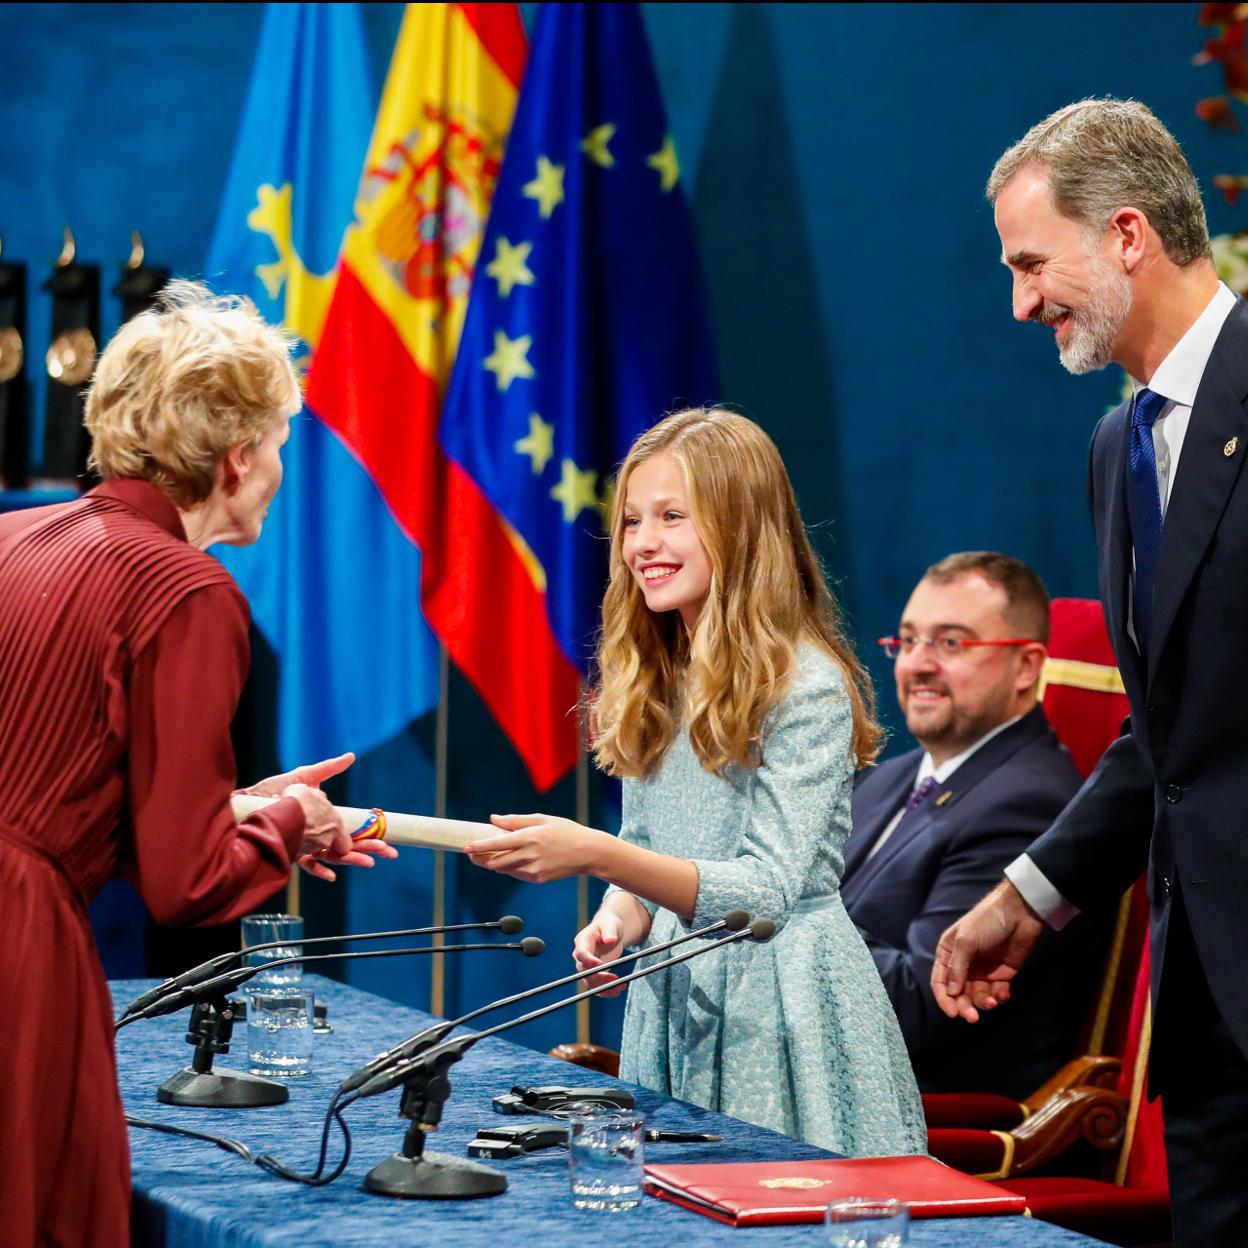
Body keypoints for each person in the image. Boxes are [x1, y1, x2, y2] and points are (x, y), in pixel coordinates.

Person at [0, 282, 396, 1247]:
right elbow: (186, 885)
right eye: (281, 449)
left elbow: (59, 783)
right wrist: (293, 821)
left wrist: (240, 810)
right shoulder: (187, 591)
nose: (279, 473)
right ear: (237, 457)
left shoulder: (12, 536)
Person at [930, 99, 1248, 1246]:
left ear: (1125, 235)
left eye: (1030, 263)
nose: (1020, 303)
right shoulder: (1118, 449)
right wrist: (1026, 895)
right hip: (1207, 1022)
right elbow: (1165, 740)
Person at [464, 408, 926, 1157]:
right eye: (632, 522)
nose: (644, 543)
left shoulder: (805, 684)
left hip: (778, 1007)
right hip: (673, 996)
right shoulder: (657, 678)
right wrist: (618, 922)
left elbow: (766, 893)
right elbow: (646, 845)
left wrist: (594, 857)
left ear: (742, 529)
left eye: (673, 517)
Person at [844, 552, 1101, 1099]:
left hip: (923, 1128)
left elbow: (916, 1008)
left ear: (1027, 667)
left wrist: (779, 910)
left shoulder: (1029, 805)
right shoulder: (887, 777)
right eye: (908, 640)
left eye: (951, 643)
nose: (917, 664)